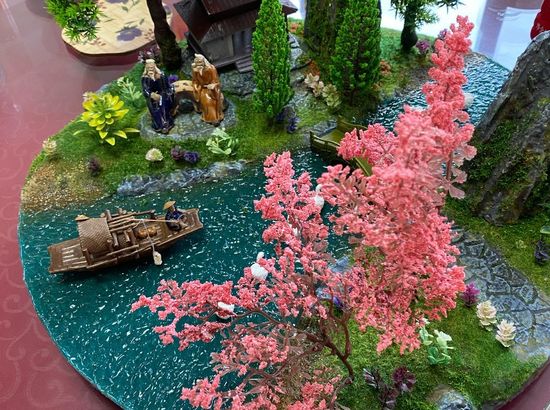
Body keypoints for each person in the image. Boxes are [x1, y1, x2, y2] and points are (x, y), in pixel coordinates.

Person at [142, 59, 175, 133]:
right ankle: (160, 125)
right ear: (146, 68)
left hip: (163, 94)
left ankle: (166, 123)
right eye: (149, 68)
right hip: (152, 97)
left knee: (164, 105)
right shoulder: (145, 78)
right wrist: (151, 94)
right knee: (156, 109)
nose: (151, 69)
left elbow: (167, 86)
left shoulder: (161, 75)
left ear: (155, 66)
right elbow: (145, 90)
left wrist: (169, 91)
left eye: (152, 67)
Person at [191, 54, 225, 125]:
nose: (199, 65)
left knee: (211, 100)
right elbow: (194, 81)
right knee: (206, 100)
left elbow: (216, 81)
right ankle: (209, 117)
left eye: (200, 62)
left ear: (204, 62)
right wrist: (196, 87)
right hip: (202, 89)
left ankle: (216, 117)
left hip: (213, 89)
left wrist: (213, 85)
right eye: (197, 63)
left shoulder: (211, 68)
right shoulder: (195, 71)